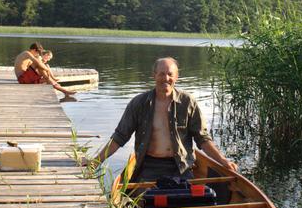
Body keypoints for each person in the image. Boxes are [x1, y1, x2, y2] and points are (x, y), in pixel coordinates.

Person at [81, 57, 236, 181]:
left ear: (176, 77)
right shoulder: (139, 103)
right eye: (161, 74)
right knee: (145, 204)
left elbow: (202, 139)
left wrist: (223, 161)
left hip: (181, 166)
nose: (165, 78)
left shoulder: (188, 102)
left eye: (170, 74)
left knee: (191, 203)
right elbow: (120, 137)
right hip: (149, 166)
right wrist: (96, 161)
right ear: (154, 75)